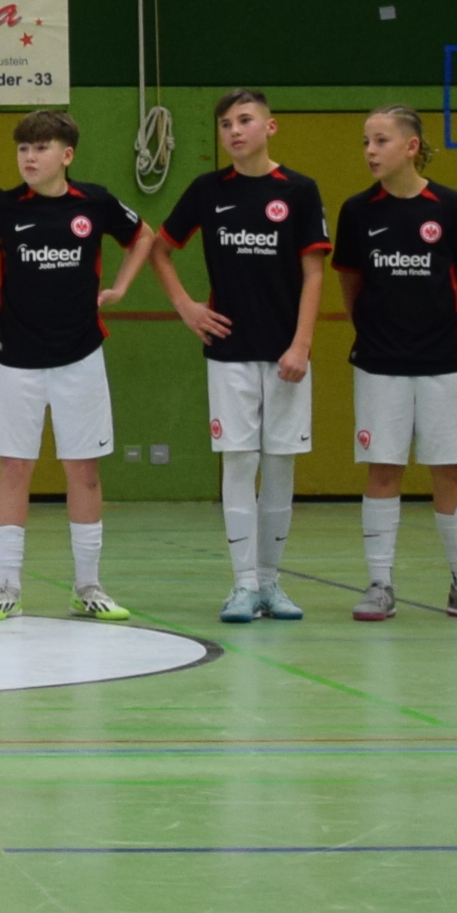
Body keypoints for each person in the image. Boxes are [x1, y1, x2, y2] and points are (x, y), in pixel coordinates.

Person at [0, 105, 150, 624]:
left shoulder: (95, 203)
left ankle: (88, 586)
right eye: (23, 148)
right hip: (17, 360)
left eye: (40, 148)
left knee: (83, 471)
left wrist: (121, 287)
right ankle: (6, 587)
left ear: (67, 155)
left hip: (81, 358)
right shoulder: (6, 205)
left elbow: (143, 235)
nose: (29, 157)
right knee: (15, 468)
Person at [333, 103, 457, 622]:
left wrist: (439, 323)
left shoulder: (450, 206)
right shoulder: (357, 211)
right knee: (383, 470)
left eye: (381, 140)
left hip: (441, 361)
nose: (370, 151)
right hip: (378, 363)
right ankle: (379, 585)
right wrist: (377, 328)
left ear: (411, 146)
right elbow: (350, 282)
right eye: (366, 141)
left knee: (450, 470)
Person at [151, 90, 326, 626]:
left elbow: (314, 274)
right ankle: (244, 584)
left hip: (285, 353)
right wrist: (186, 307)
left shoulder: (298, 190)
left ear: (270, 127)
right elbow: (160, 250)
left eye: (245, 120)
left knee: (280, 464)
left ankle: (271, 581)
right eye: (226, 123)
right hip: (228, 351)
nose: (234, 130)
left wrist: (301, 344)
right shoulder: (208, 190)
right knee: (239, 460)